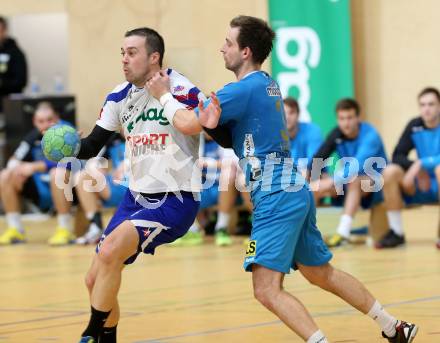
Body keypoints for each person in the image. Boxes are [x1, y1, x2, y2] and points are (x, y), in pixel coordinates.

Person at [147, 15, 417, 343]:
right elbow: (230, 136)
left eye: (228, 43)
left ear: (246, 52)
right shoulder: (266, 84)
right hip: (292, 191)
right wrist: (211, 117)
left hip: (274, 196)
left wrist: (163, 95)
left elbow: (189, 124)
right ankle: (393, 326)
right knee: (321, 273)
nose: (222, 48)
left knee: (265, 289)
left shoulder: (240, 90)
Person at [75, 27, 219, 343]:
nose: (124, 60)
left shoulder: (181, 88)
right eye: (122, 53)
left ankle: (90, 335)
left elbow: (210, 125)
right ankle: (107, 337)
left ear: (154, 57)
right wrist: (69, 146)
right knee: (93, 279)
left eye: (132, 53)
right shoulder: (119, 95)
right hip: (135, 198)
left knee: (110, 251)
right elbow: (93, 145)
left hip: (173, 200)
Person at [310, 98, 387, 247]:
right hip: (348, 181)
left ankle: (343, 233)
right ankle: (308, 233)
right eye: (342, 118)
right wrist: (313, 177)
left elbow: (356, 165)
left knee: (353, 179)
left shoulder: (370, 135)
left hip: (378, 184)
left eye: (350, 118)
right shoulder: (337, 134)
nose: (346, 123)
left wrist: (331, 181)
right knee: (314, 186)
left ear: (358, 118)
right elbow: (318, 158)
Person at [0, 101, 76, 245]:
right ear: (35, 122)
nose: (46, 124)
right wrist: (18, 169)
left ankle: (65, 229)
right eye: (41, 121)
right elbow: (13, 161)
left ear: (57, 119)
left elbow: (71, 161)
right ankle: (15, 230)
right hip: (41, 189)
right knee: (5, 175)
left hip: (70, 188)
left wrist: (35, 166)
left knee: (57, 172)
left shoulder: (67, 133)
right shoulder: (32, 137)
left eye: (50, 120)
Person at [380, 87, 440, 249]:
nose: (426, 109)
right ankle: (396, 232)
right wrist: (415, 167)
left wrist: (421, 163)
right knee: (390, 171)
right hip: (419, 184)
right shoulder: (414, 125)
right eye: (422, 105)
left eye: (431, 104)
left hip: (437, 179)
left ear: (439, 106)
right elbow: (397, 154)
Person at [75, 134, 126, 245]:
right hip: (119, 186)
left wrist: (128, 163)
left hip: (144, 188)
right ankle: (96, 227)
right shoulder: (112, 138)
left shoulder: (149, 134)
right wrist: (98, 169)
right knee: (84, 177)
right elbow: (95, 162)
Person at [283, 96, 323, 178]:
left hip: (315, 176)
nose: (287, 117)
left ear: (298, 115)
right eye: (283, 113)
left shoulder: (312, 131)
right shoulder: (274, 136)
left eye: (291, 112)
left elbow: (315, 162)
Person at [0, 16, 27, 111]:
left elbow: (21, 81)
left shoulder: (15, 52)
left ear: (4, 31)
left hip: (9, 105)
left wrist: (2, 83)